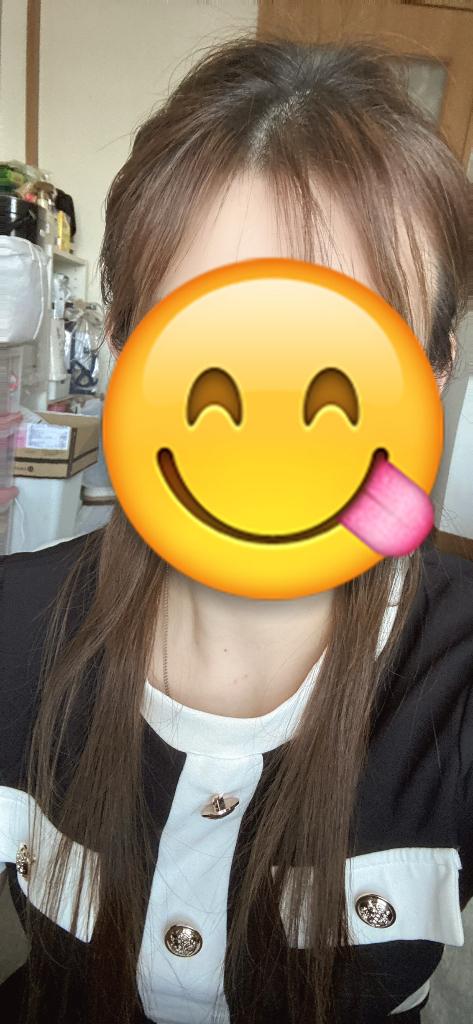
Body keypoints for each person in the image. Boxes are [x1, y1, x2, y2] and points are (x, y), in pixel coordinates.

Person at [0, 35, 472, 1024]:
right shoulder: (13, 625)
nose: (273, 418)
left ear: (432, 377)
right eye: (214, 339)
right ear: (122, 348)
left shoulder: (454, 672)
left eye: (350, 351)